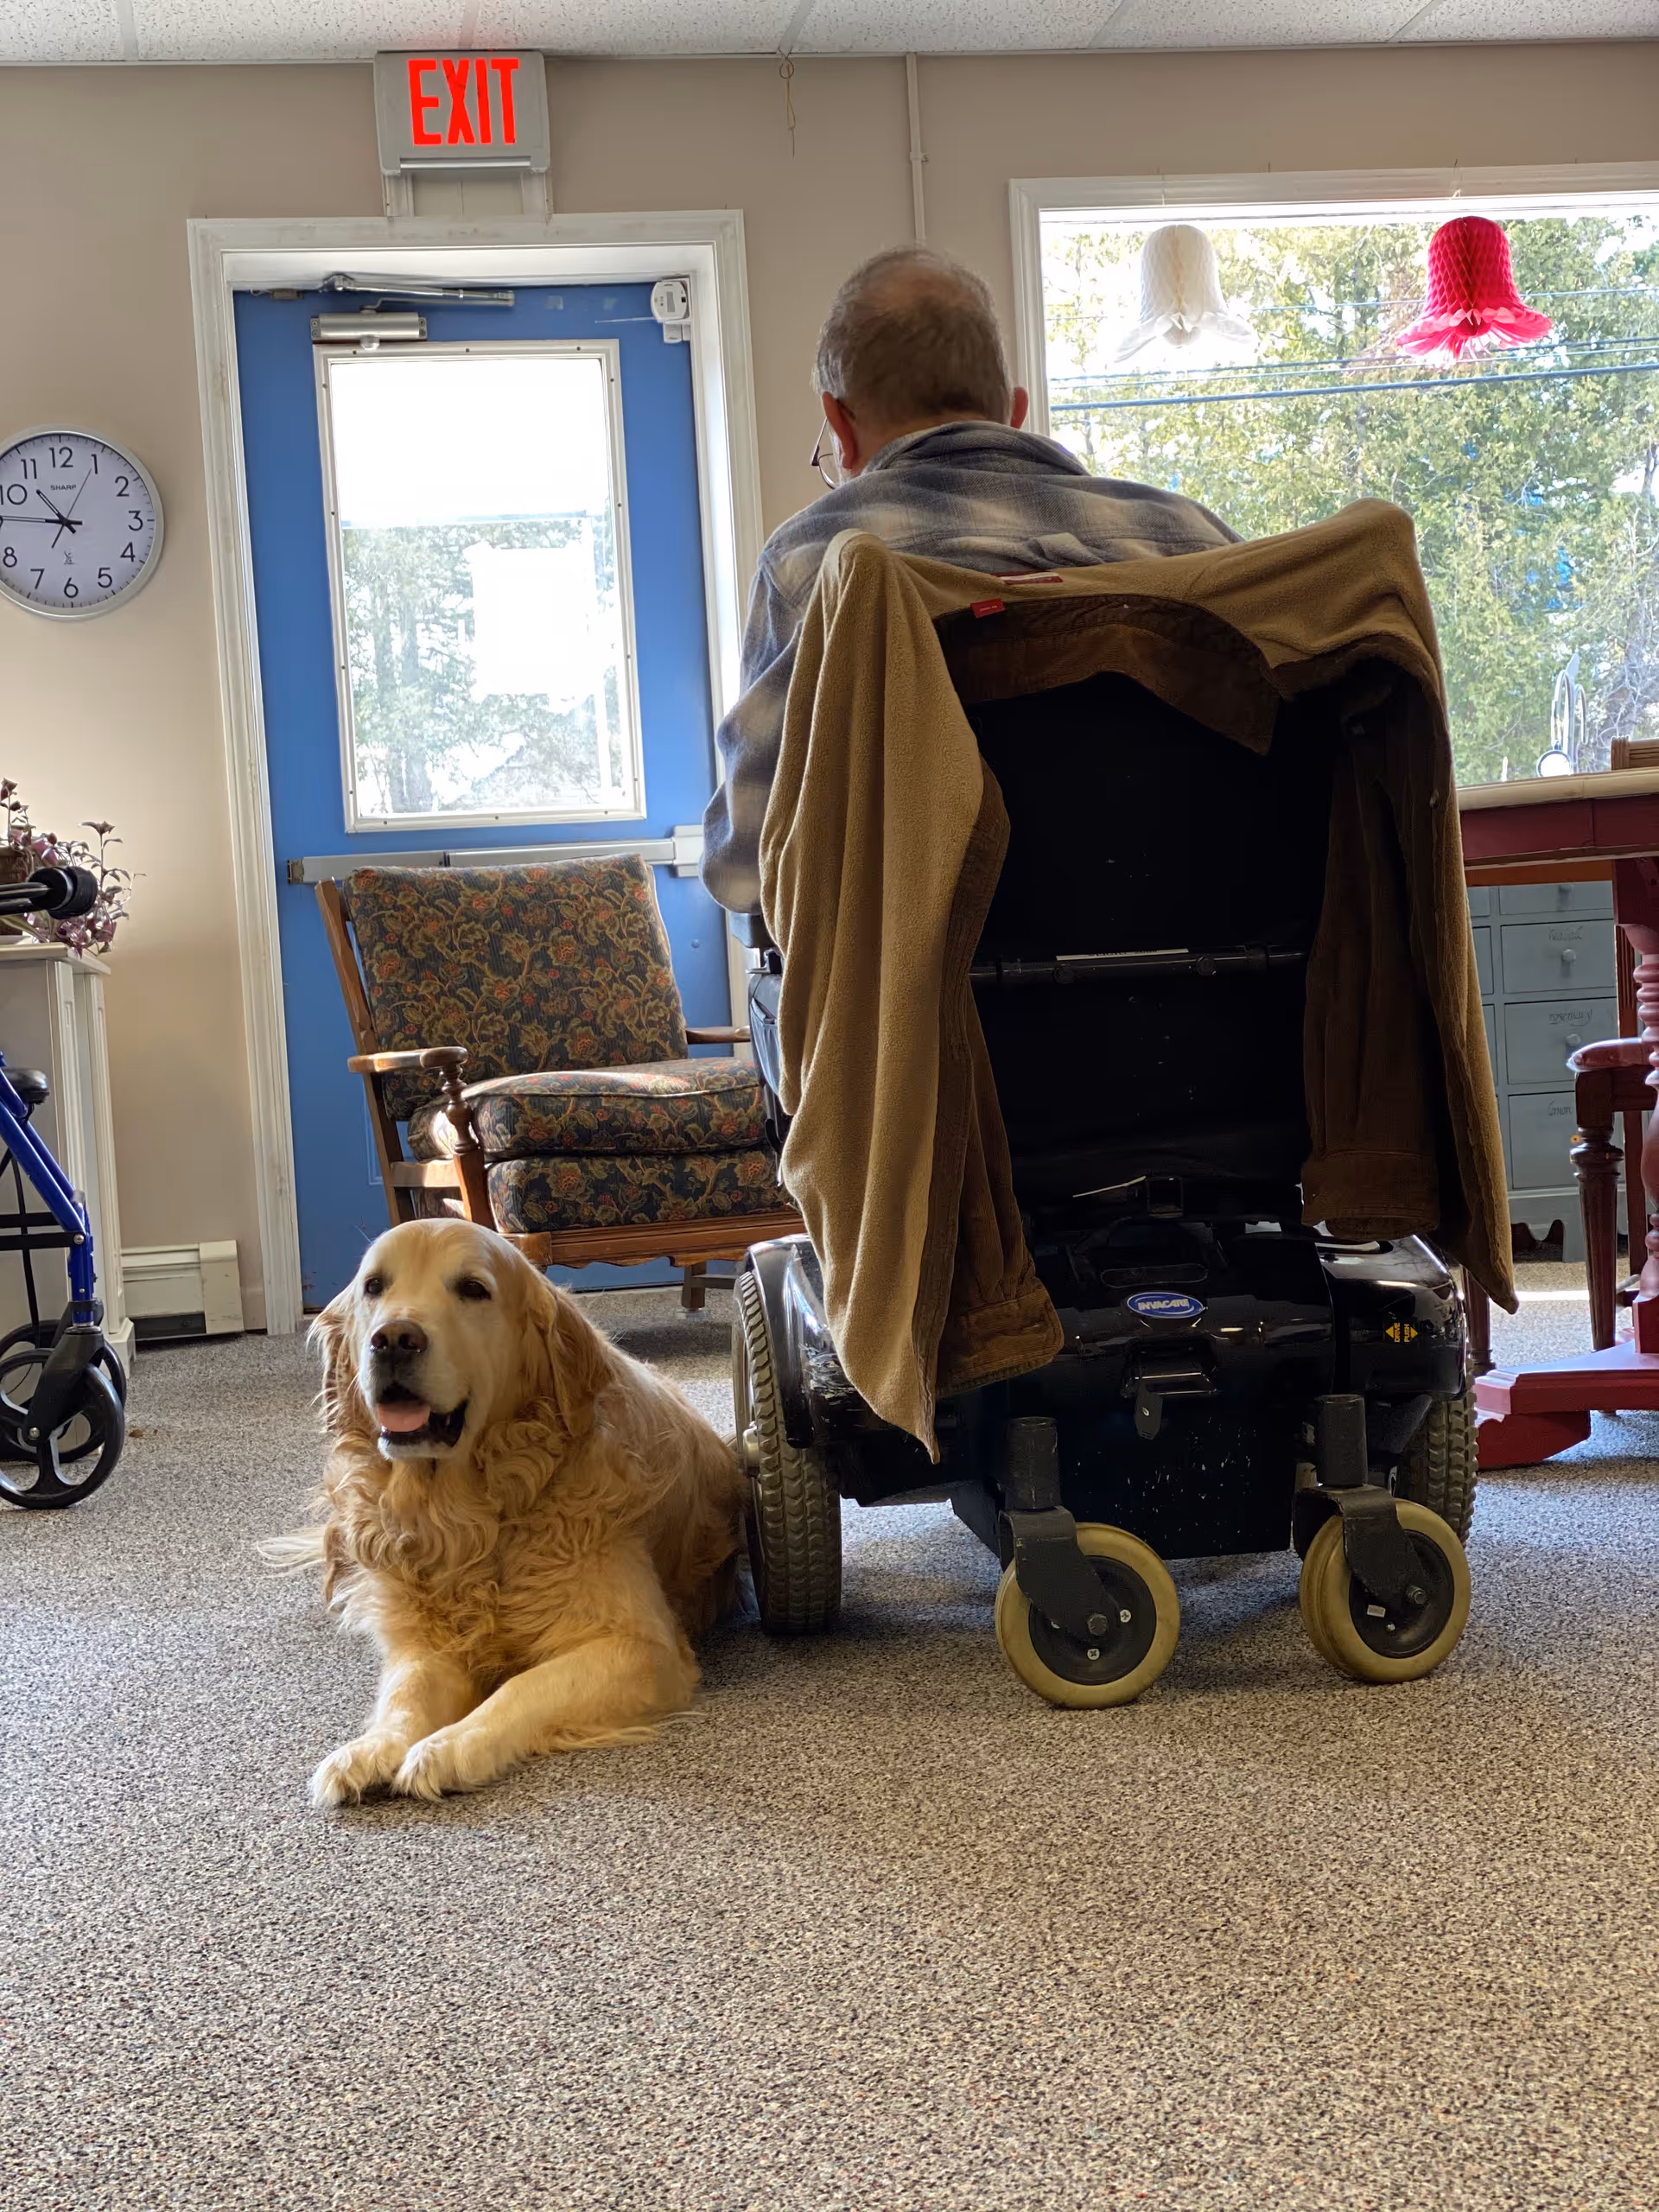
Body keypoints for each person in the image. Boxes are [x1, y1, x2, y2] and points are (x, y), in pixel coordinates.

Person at [700, 245, 1239, 914]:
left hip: (916, 1014)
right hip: (1215, 996)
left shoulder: (814, 565)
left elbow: (745, 874)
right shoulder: (1194, 541)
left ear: (838, 425)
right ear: (1014, 410)